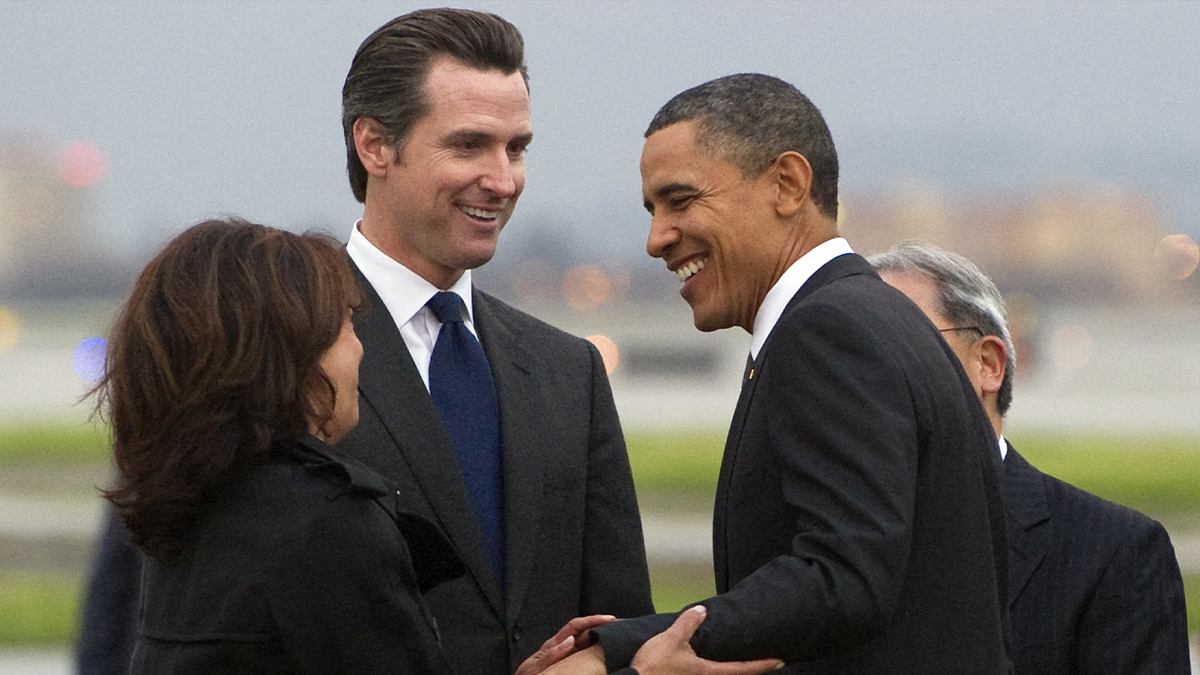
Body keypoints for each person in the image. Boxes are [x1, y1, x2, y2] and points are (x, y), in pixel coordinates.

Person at [571, 73, 1011, 673]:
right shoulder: (876, 317)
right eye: (652, 209)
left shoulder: (828, 329)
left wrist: (621, 653)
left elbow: (843, 578)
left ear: (787, 184)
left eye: (681, 200)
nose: (656, 239)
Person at [333, 9, 653, 675]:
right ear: (374, 146)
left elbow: (619, 629)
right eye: (469, 145)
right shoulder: (285, 350)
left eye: (517, 148)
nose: (504, 180)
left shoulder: (571, 371)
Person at [97, 218, 464, 674]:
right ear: (293, 351)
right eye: (347, 325)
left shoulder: (185, 507)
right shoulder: (326, 521)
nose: (361, 350)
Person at [870, 241, 1190, 675]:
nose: (863, 374)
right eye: (845, 353)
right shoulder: (798, 540)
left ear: (988, 364)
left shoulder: (1114, 554)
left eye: (900, 343)